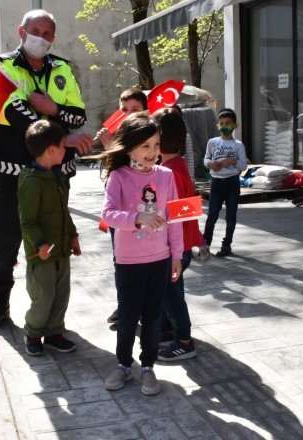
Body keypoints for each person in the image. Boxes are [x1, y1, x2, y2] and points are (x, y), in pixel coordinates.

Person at [0, 9, 92, 333]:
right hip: (11, 172)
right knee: (6, 241)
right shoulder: (3, 68)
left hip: (55, 176)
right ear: (21, 31)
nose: (40, 37)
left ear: (53, 38)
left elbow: (77, 115)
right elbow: (15, 113)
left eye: (47, 33)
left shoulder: (62, 69)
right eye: (35, 30)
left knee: (52, 243)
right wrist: (60, 134)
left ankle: (50, 317)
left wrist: (53, 109)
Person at [97, 113, 183, 395]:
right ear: (130, 146)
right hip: (129, 262)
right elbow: (108, 215)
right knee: (128, 317)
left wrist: (177, 255)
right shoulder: (118, 176)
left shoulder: (167, 176)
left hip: (159, 260)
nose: (152, 152)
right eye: (145, 146)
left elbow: (173, 218)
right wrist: (137, 218)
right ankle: (123, 365)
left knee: (153, 317)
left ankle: (147, 367)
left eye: (156, 145)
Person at [18, 120, 82, 356]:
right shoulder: (31, 182)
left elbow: (64, 210)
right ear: (51, 150)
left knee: (61, 294)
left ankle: (55, 331)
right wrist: (39, 244)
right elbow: (27, 221)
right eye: (64, 146)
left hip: (61, 249)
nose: (66, 151)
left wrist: (73, 236)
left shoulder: (57, 176)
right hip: (42, 254)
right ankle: (33, 332)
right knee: (43, 297)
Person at [153, 107, 204, 361]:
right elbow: (190, 208)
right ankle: (168, 331)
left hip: (174, 248)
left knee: (172, 298)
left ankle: (184, 341)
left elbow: (175, 212)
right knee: (168, 294)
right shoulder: (178, 165)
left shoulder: (168, 172)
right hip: (181, 246)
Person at [97, 88, 148, 326]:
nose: (128, 115)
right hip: (120, 214)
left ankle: (138, 308)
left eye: (134, 110)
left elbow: (140, 173)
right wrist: (109, 148)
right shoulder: (118, 136)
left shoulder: (150, 138)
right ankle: (125, 305)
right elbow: (111, 176)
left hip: (143, 214)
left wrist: (111, 149)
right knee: (120, 261)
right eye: (124, 110)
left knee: (143, 262)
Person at [202, 108, 247, 258]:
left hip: (232, 183)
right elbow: (206, 159)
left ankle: (226, 244)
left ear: (236, 125)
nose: (225, 126)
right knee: (212, 215)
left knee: (231, 216)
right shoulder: (212, 142)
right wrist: (210, 164)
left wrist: (233, 161)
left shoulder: (238, 145)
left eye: (228, 123)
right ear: (217, 125)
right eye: (222, 123)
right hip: (216, 183)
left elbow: (243, 166)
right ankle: (205, 244)